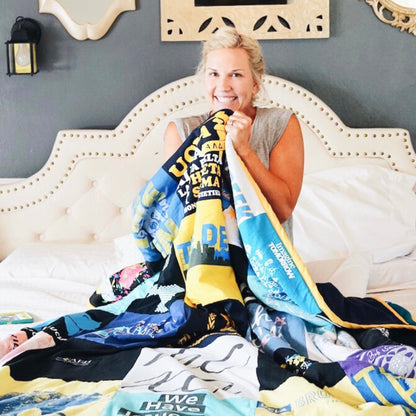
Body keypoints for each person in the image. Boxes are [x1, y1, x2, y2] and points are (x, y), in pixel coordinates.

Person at [164, 26, 304, 241]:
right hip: (202, 263)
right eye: (214, 74)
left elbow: (282, 210)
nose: (223, 85)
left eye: (236, 75)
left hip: (266, 264)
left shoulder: (280, 124)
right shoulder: (181, 132)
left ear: (256, 83)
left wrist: (244, 151)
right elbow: (175, 218)